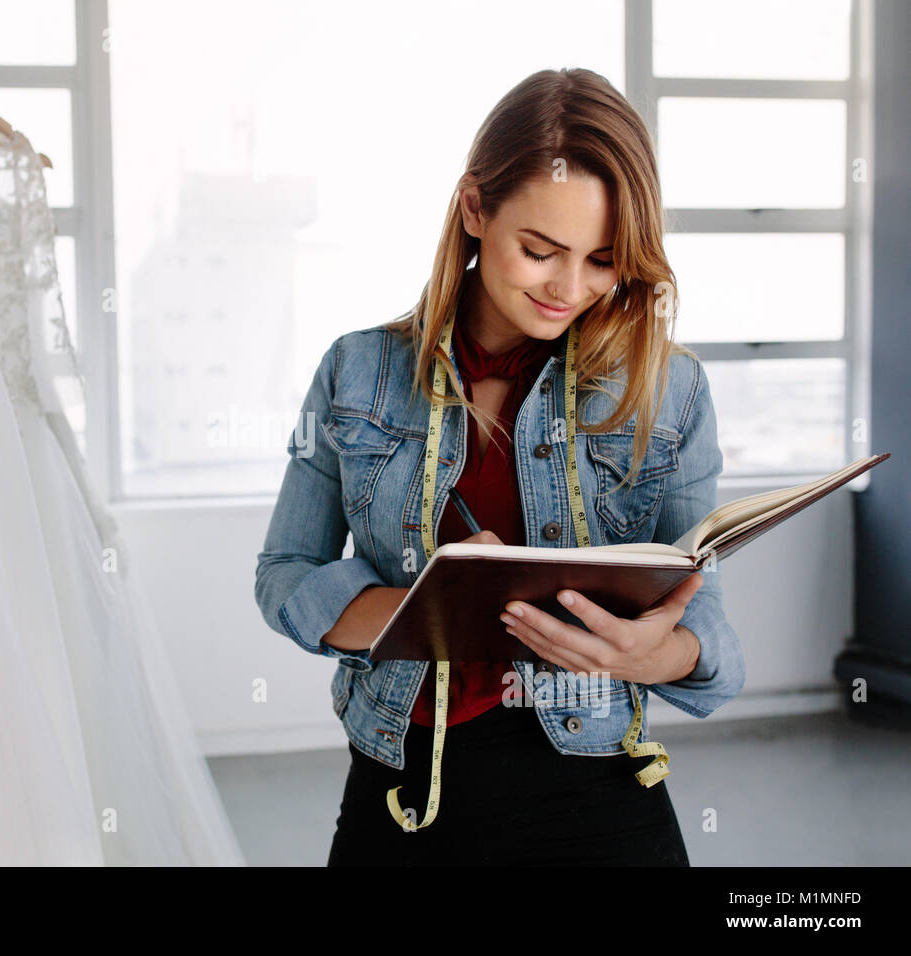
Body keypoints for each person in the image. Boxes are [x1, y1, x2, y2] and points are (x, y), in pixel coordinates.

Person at [254, 67, 746, 866]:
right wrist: (430, 604)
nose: (570, 288)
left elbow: (710, 635)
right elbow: (283, 577)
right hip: (402, 794)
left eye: (603, 260)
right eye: (541, 251)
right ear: (475, 208)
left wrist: (643, 654)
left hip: (600, 799)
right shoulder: (356, 371)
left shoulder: (671, 388)